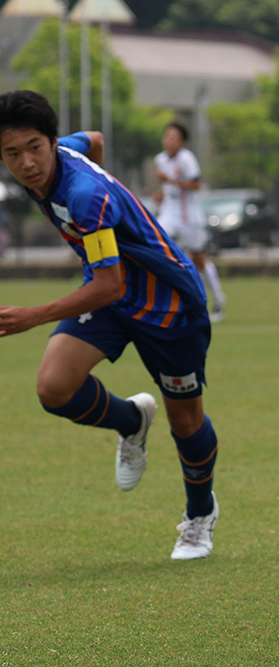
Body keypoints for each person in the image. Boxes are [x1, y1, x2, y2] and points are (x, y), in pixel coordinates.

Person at [0, 90, 221, 560]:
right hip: (111, 294)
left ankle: (200, 517)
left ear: (52, 141)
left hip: (167, 305)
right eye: (12, 153)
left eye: (35, 148)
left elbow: (108, 286)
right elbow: (95, 139)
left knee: (185, 420)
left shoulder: (84, 197)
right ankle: (131, 421)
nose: (27, 163)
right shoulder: (66, 152)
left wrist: (32, 316)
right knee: (54, 388)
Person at [154, 121, 226, 322]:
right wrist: (161, 194)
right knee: (155, 243)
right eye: (167, 136)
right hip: (169, 215)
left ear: (182, 142)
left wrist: (169, 180)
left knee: (199, 261)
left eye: (173, 138)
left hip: (190, 219)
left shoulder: (186, 158)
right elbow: (170, 189)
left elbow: (196, 184)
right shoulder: (160, 159)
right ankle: (165, 300)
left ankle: (218, 299)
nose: (168, 141)